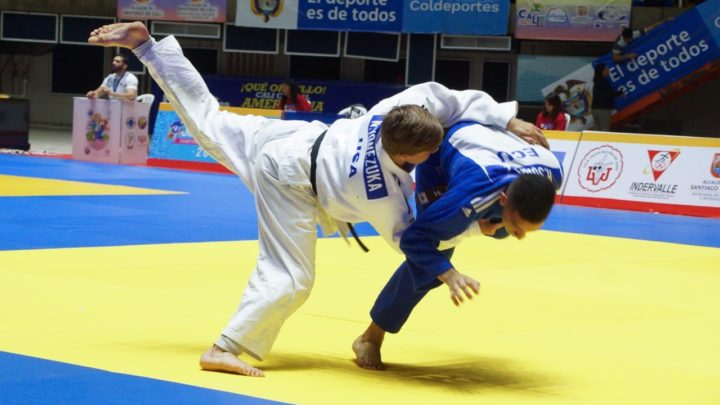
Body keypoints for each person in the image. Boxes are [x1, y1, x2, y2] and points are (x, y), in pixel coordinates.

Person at [88, 21, 548, 378]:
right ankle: (224, 349)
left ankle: (149, 47)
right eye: (427, 154)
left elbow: (446, 98)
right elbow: (413, 242)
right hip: (290, 180)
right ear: (403, 155)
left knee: (209, 121)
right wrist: (471, 233)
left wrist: (506, 122)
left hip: (294, 138)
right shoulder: (377, 191)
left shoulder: (400, 111)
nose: (435, 155)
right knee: (292, 277)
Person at [352, 121, 563, 370]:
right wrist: (450, 275)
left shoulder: (553, 175)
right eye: (518, 226)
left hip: (487, 151)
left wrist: (496, 226)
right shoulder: (470, 195)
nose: (520, 235)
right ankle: (370, 338)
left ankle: (489, 225)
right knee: (434, 257)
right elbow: (413, 239)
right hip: (442, 158)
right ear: (502, 199)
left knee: (501, 232)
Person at [592, 63, 623, 131]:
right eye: (607, 68)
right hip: (603, 110)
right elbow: (609, 94)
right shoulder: (603, 82)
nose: (608, 70)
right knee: (604, 131)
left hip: (595, 109)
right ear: (602, 71)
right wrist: (620, 93)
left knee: (597, 133)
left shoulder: (596, 81)